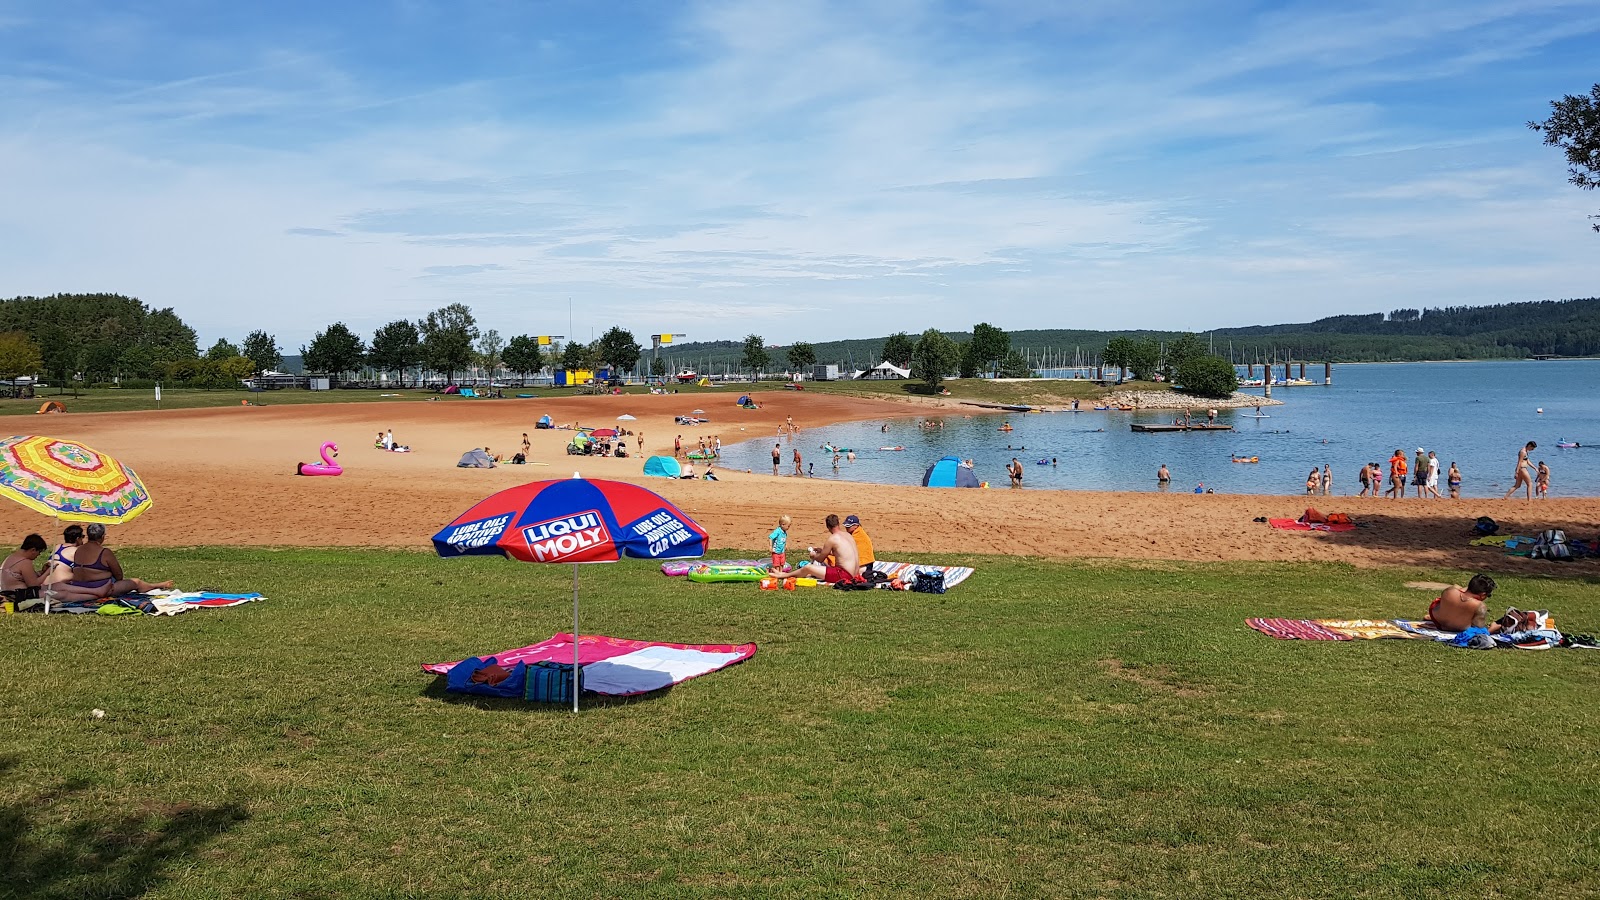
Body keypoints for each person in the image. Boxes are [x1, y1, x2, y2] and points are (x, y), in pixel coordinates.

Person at [65, 524, 174, 599]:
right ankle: (157, 585)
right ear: (102, 537)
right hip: (101, 588)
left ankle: (156, 585)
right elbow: (119, 575)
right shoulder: (104, 552)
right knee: (136, 582)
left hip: (79, 587)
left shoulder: (79, 550)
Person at [787, 514, 862, 584]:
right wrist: (823, 551)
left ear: (828, 527)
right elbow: (843, 554)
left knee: (808, 568)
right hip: (855, 574)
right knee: (814, 569)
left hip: (844, 575)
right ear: (838, 524)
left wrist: (813, 555)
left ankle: (783, 575)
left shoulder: (832, 538)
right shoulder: (848, 535)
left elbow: (820, 559)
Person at [1426, 574, 1499, 632]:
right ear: (1483, 594)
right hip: (1457, 629)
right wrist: (1493, 628)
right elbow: (1478, 631)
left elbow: (1458, 587)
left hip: (1438, 621)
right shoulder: (1479, 605)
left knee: (1441, 602)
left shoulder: (1450, 591)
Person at [1, 534, 48, 602]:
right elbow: (33, 584)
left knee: (59, 586)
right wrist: (48, 572)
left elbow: (28, 577)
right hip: (19, 596)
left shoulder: (12, 557)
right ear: (33, 550)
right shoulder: (25, 562)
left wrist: (42, 572)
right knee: (63, 594)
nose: (38, 555)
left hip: (8, 593)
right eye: (39, 552)